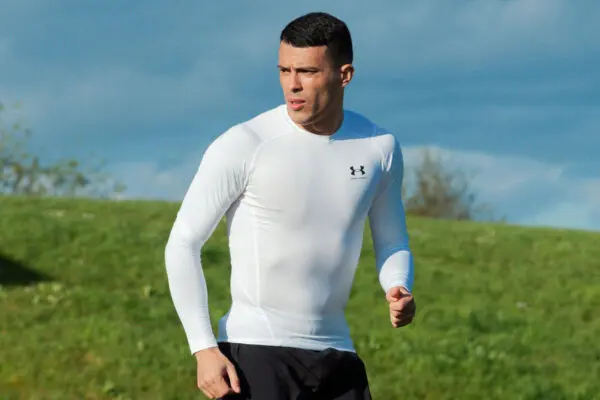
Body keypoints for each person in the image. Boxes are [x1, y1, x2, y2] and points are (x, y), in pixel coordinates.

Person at [164, 11, 416, 400]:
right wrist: (203, 347)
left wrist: (398, 285)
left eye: (308, 72)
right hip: (256, 353)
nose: (293, 85)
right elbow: (183, 242)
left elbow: (392, 238)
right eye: (285, 71)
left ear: (344, 75)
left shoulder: (378, 147)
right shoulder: (245, 143)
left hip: (338, 355)